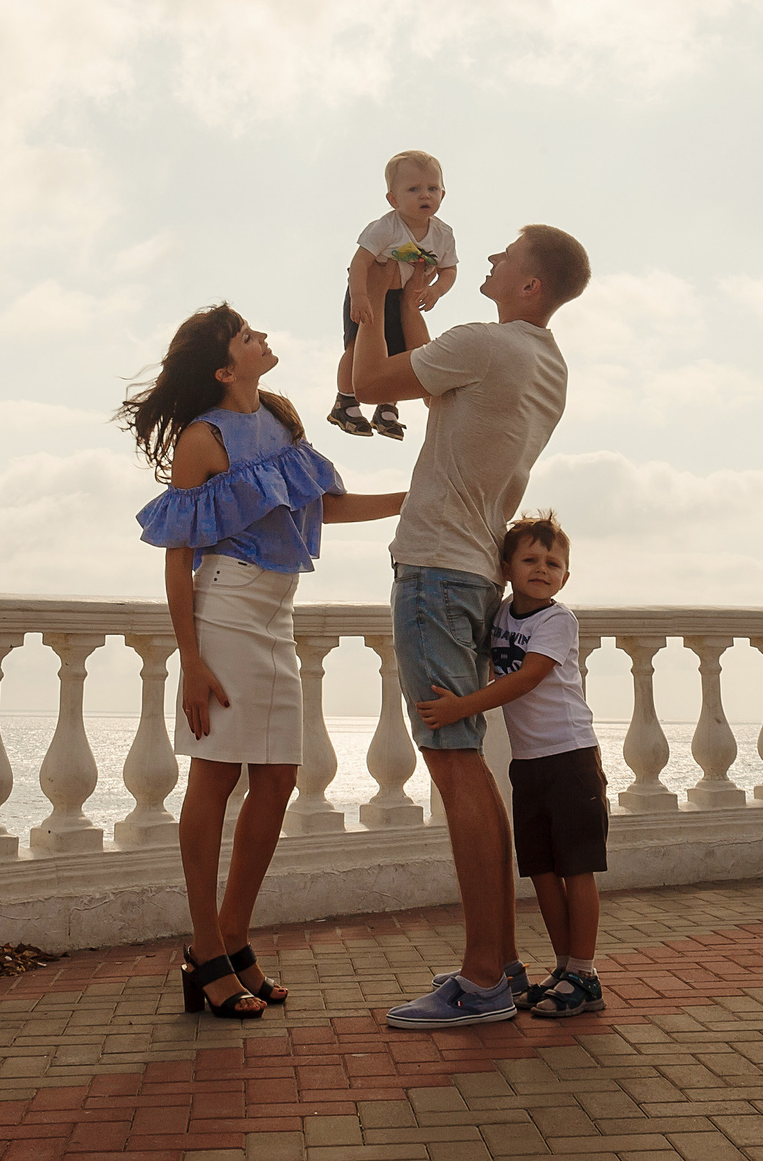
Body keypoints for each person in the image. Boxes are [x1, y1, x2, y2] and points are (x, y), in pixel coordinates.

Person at [121, 304, 406, 1020]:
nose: (263, 338)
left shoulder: (279, 416)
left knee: (278, 778)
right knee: (215, 777)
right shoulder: (202, 438)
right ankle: (205, 948)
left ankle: (235, 936)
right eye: (248, 336)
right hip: (224, 611)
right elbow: (178, 556)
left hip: (277, 612)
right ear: (224, 367)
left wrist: (411, 497)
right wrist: (190, 659)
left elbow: (322, 507)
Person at [348, 224, 592, 1028]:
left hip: (433, 571)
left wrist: (371, 292)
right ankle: (500, 959)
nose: (487, 259)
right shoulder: (540, 361)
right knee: (470, 773)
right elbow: (442, 378)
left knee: (456, 773)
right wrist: (416, 309)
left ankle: (483, 975)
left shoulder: (489, 344)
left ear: (529, 284)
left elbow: (374, 378)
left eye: (505, 255)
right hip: (471, 571)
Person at [417, 513, 605, 1018]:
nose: (541, 568)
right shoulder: (500, 615)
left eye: (553, 562)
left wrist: (462, 706)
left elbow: (527, 678)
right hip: (529, 764)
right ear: (506, 567)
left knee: (577, 870)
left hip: (570, 760)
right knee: (542, 872)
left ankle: (585, 973)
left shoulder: (557, 620)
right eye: (530, 559)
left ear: (565, 575)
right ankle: (564, 968)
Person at [330, 150, 457, 442]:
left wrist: (436, 290)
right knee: (357, 346)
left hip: (402, 296)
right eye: (413, 189)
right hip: (370, 292)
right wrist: (360, 296)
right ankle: (345, 400)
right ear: (394, 199)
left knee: (396, 353)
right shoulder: (386, 227)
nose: (424, 195)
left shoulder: (443, 235)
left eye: (432, 188)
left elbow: (449, 270)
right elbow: (361, 262)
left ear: (443, 194)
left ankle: (387, 407)